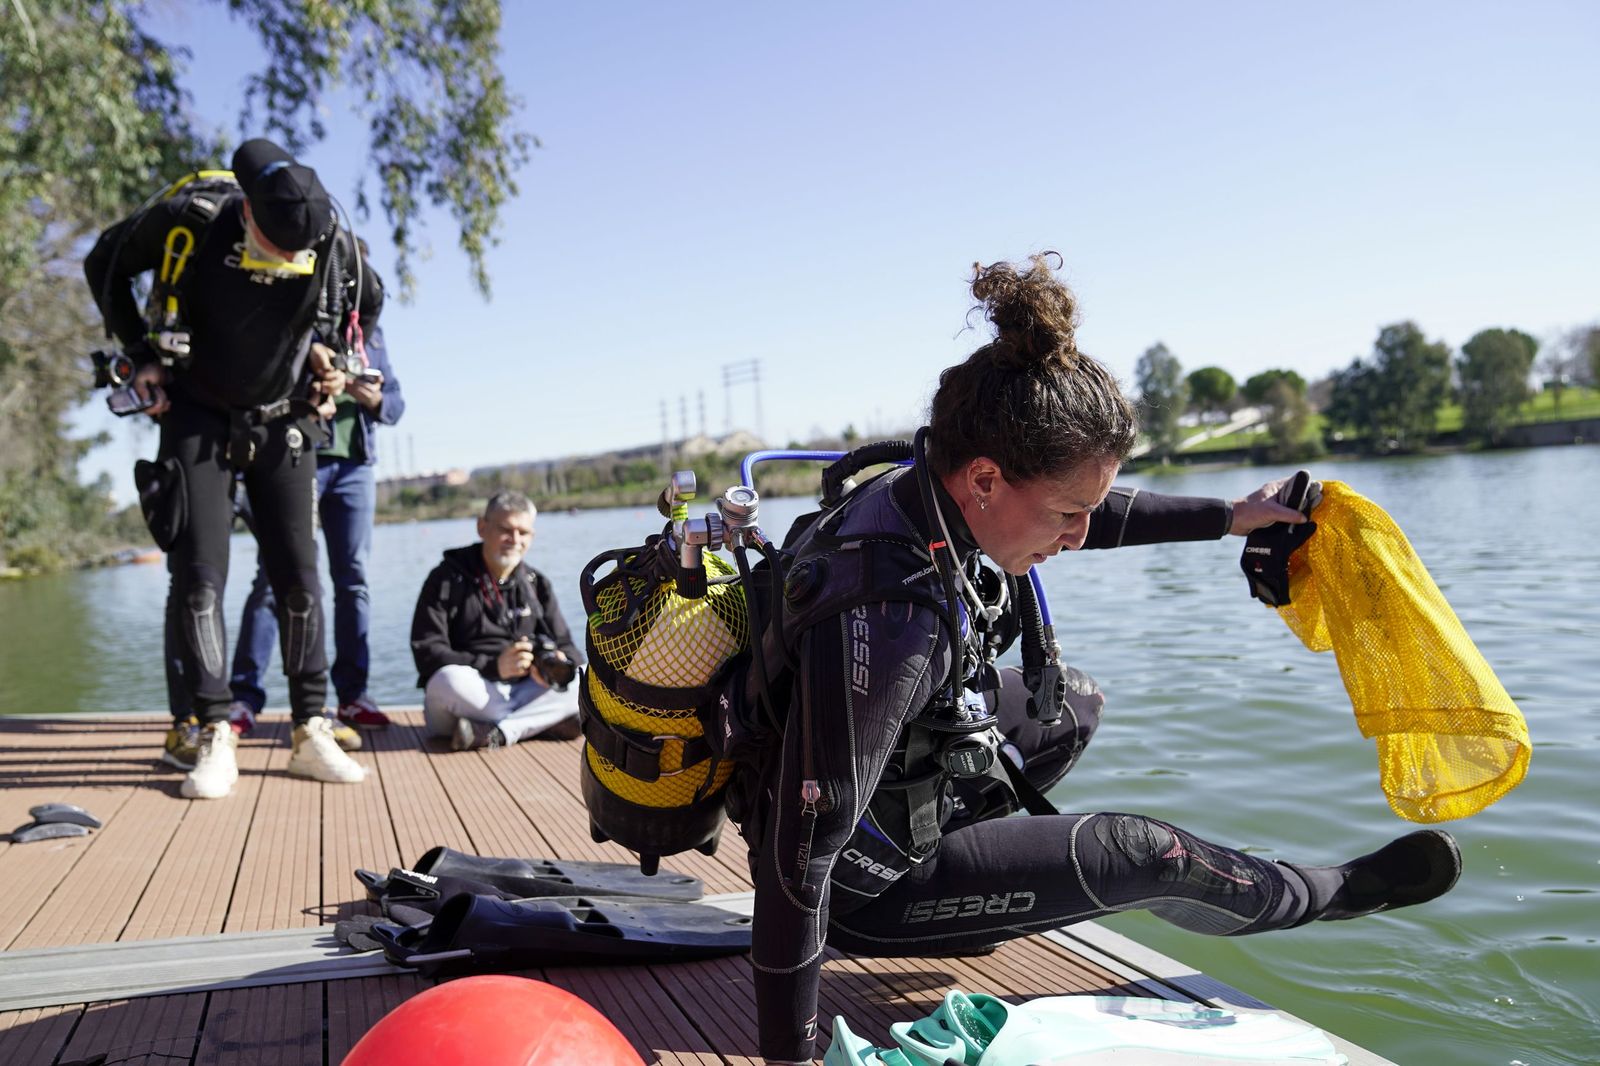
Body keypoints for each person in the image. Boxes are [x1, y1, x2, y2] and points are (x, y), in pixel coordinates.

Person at [740, 255, 1462, 1064]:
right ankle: (1329, 894)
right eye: (1066, 514)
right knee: (1146, 854)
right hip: (857, 887)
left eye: (1086, 508)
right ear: (984, 478)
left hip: (886, 770)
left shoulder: (923, 486)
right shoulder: (895, 616)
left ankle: (984, 895)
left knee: (1070, 703)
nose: (1079, 534)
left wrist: (1235, 516)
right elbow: (800, 867)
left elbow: (1103, 507)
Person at [85, 138, 378, 799]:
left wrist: (330, 353)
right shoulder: (188, 222)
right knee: (199, 579)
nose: (290, 263)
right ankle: (215, 733)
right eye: (278, 252)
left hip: (284, 415)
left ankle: (310, 729)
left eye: (299, 256)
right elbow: (102, 261)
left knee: (300, 577)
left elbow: (369, 303)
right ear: (247, 214)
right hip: (195, 409)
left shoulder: (328, 239)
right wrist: (139, 351)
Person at [228, 320, 406, 736]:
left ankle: (353, 697)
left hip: (355, 466)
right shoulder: (295, 322)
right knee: (273, 577)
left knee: (353, 580)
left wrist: (374, 398)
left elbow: (396, 404)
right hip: (294, 457)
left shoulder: (373, 334)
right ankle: (244, 698)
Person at [410, 491, 585, 750]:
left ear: (532, 537)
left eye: (523, 533)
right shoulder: (445, 578)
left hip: (522, 692)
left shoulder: (536, 584)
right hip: (470, 696)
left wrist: (555, 663)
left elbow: (569, 648)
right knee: (447, 679)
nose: (514, 540)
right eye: (506, 529)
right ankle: (534, 724)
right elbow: (426, 651)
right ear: (482, 527)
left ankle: (498, 732)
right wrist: (493, 666)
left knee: (586, 677)